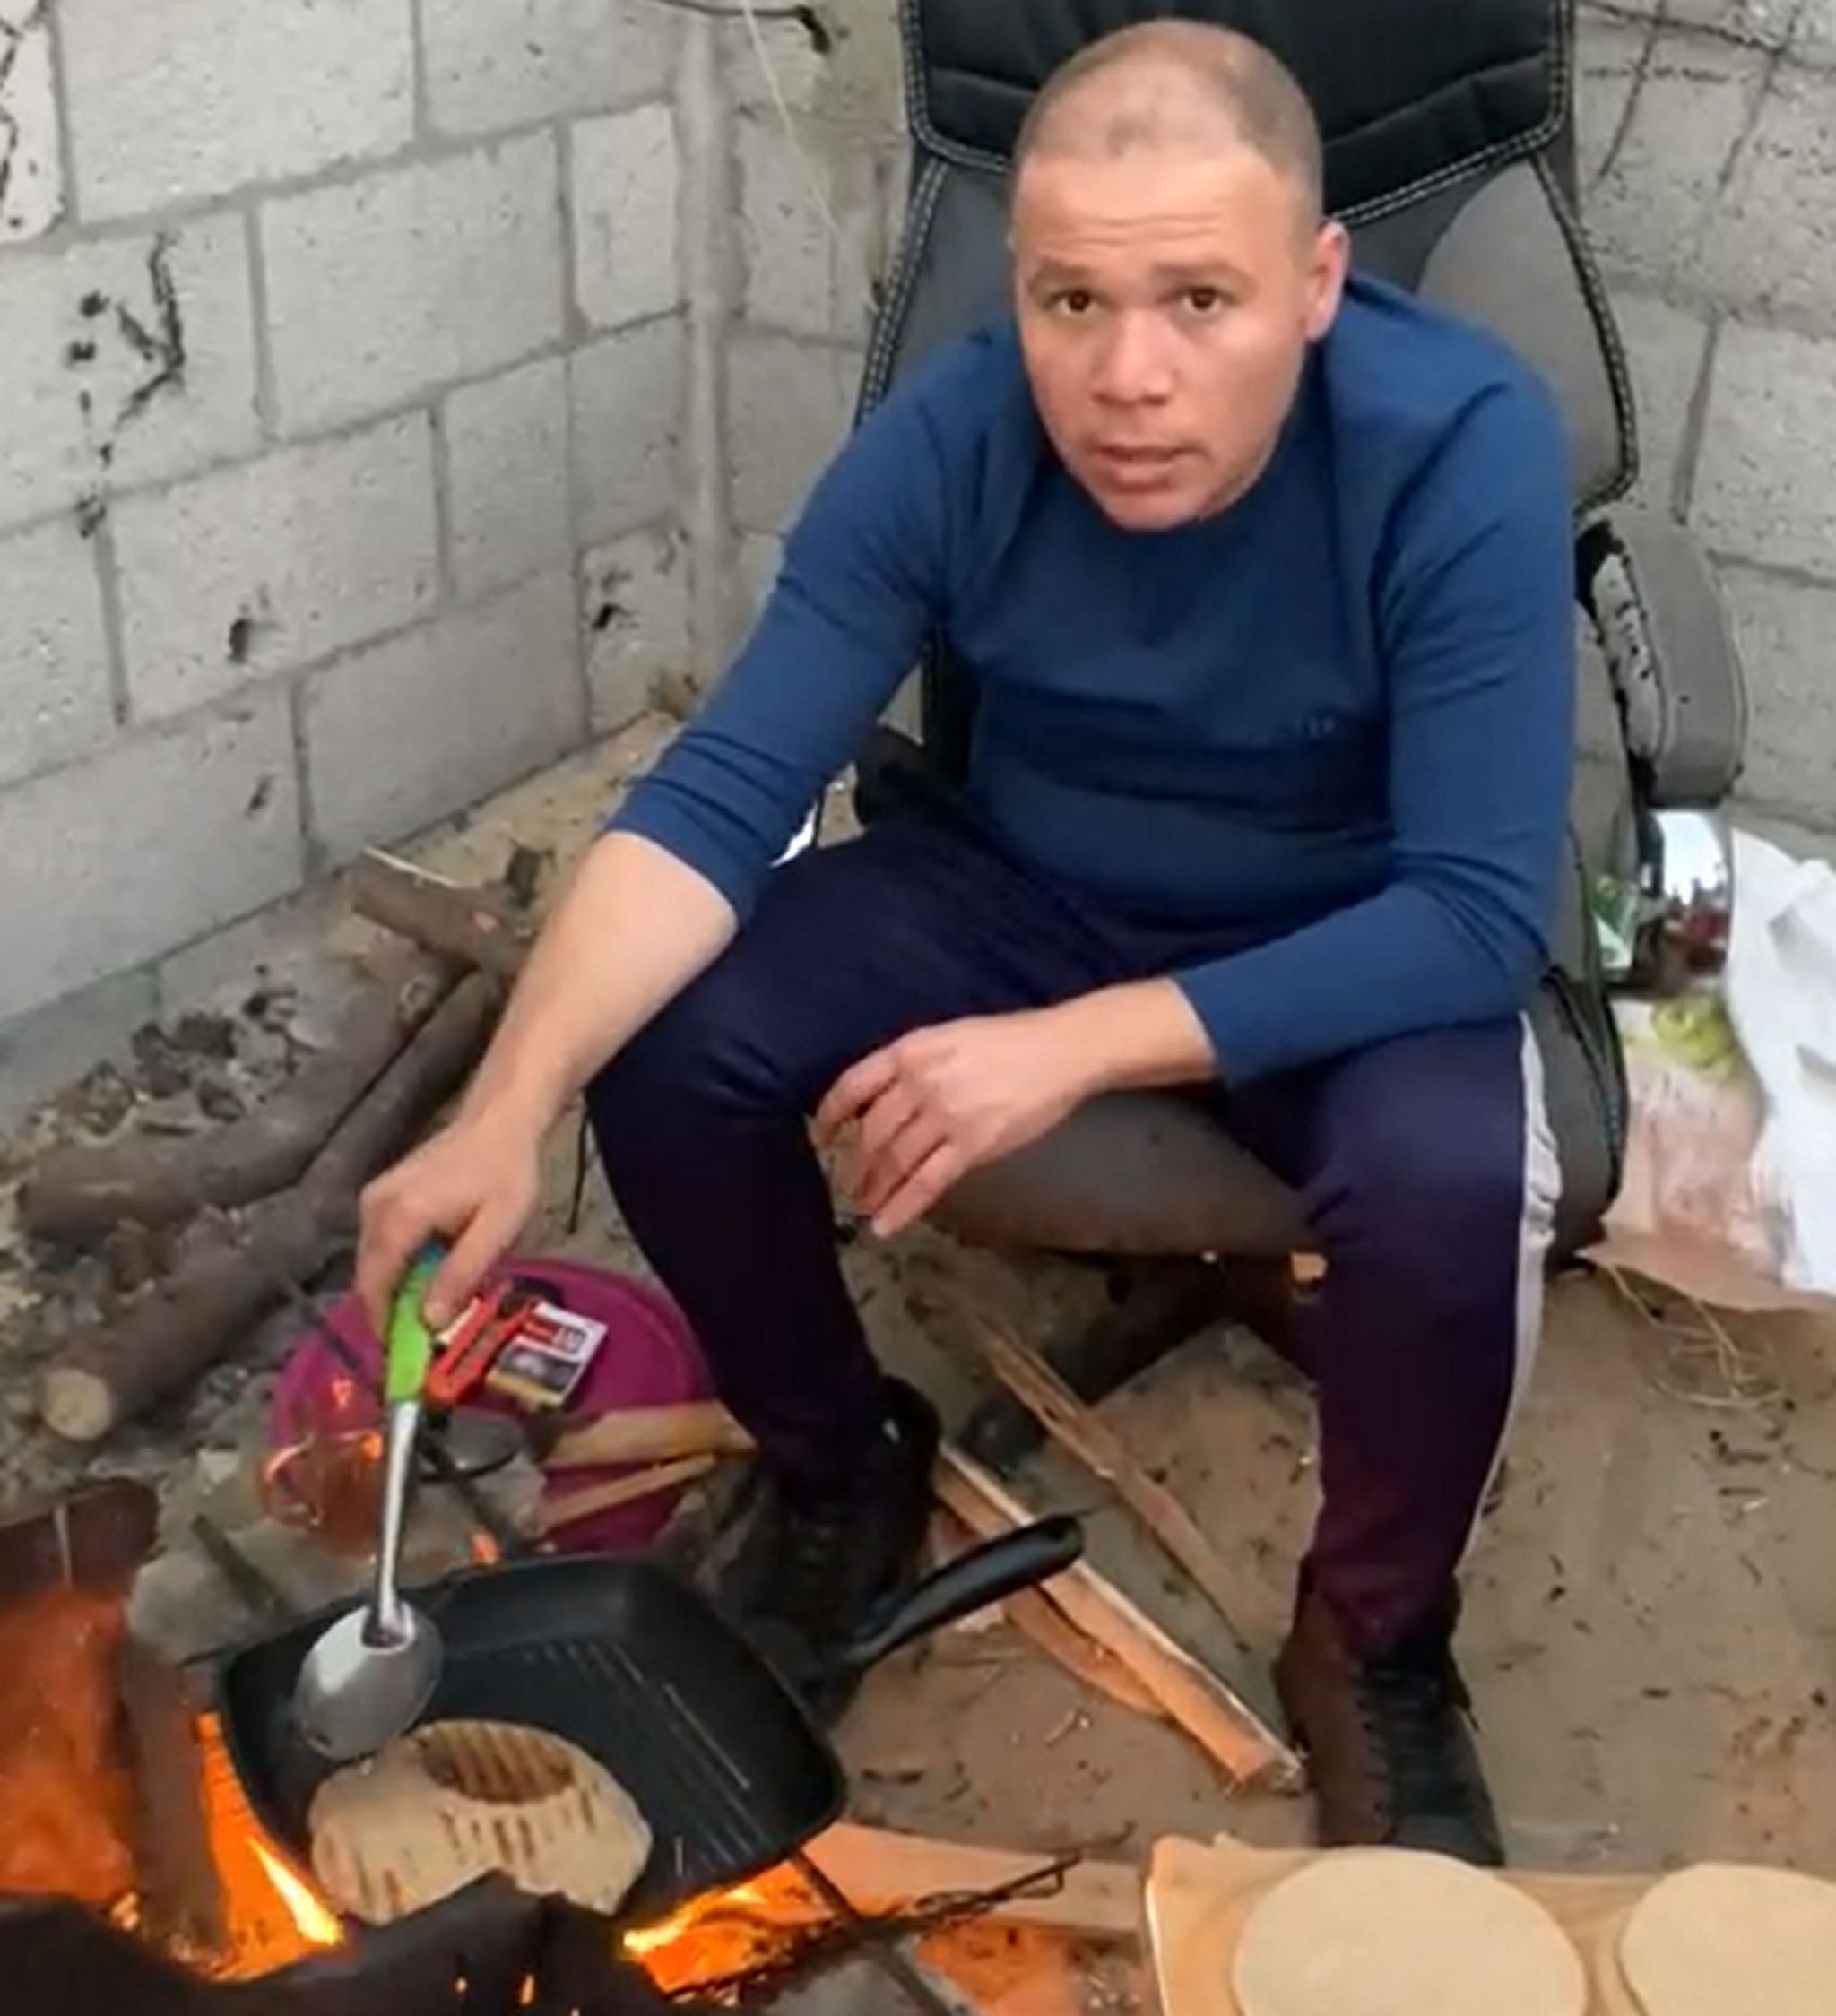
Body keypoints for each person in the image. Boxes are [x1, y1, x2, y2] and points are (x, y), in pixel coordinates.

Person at [357, 20, 1574, 1866]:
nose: (1127, 377)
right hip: (1022, 875)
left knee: (1447, 1175)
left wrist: (1075, 1043)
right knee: (677, 1044)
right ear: (1015, 285)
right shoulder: (955, 426)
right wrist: (505, 1105)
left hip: (1345, 916)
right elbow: (721, 789)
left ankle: (1376, 1640)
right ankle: (840, 1459)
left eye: (1199, 301)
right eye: (1071, 301)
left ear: (1317, 284)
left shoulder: (1459, 440)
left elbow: (1478, 915)